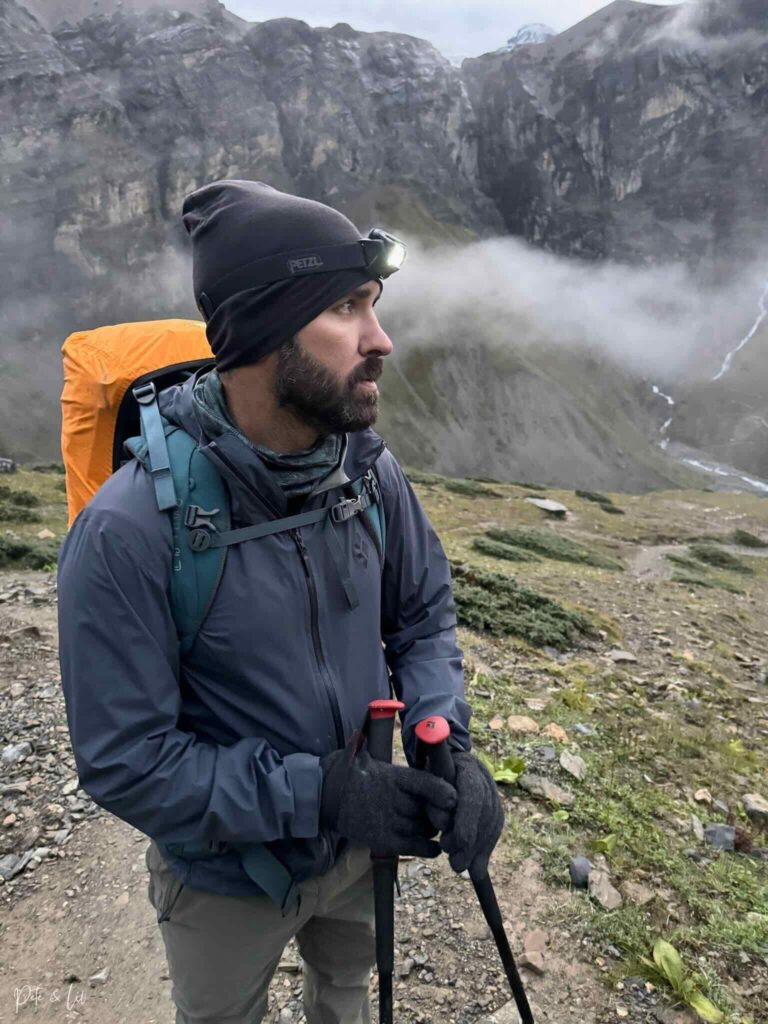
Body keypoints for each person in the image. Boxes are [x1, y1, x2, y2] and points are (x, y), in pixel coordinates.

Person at [57, 179, 504, 1024]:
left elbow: (421, 616)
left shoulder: (367, 469)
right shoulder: (127, 530)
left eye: (373, 303)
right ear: (262, 331)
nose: (382, 339)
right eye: (345, 307)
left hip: (357, 845)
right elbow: (124, 759)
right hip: (225, 876)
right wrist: (321, 793)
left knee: (344, 990)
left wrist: (443, 734)